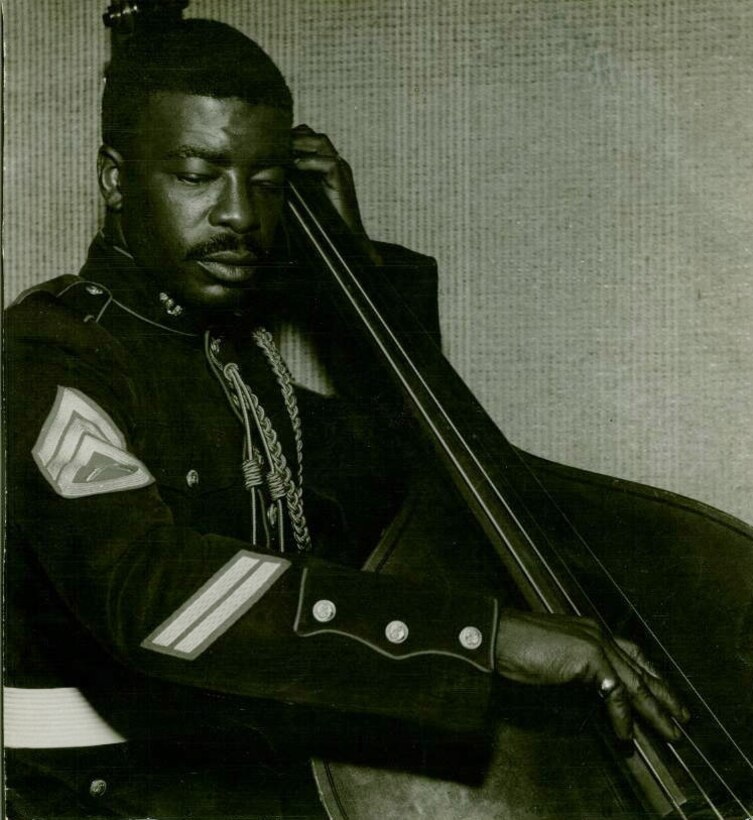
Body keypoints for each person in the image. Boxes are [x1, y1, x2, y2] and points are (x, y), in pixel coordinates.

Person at [4, 18, 688, 819]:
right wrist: (487, 639)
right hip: (114, 799)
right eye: (198, 174)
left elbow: (402, 491)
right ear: (116, 180)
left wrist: (353, 266)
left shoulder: (240, 359)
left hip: (270, 781)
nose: (237, 216)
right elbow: (156, 593)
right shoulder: (48, 351)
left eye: (265, 185)